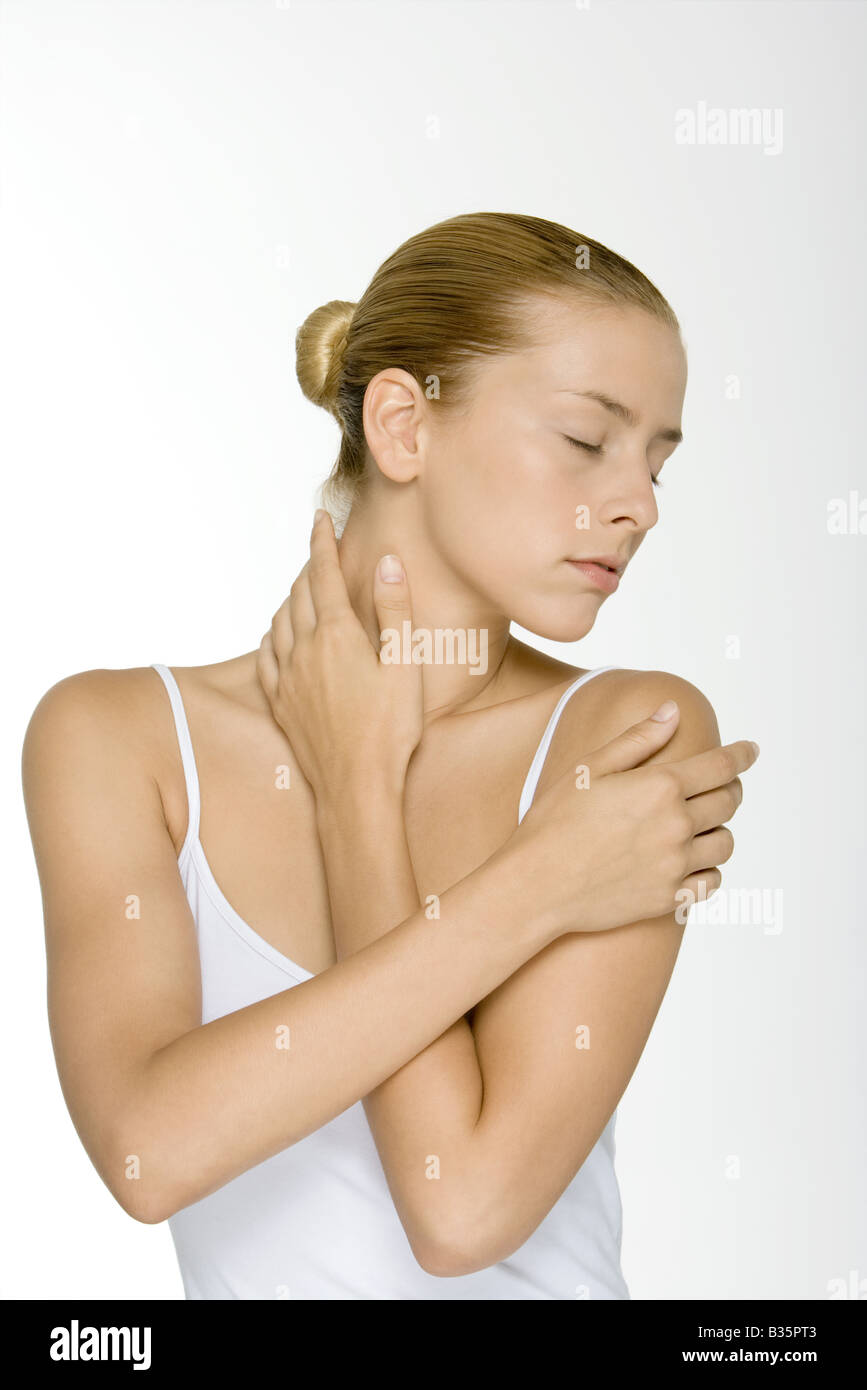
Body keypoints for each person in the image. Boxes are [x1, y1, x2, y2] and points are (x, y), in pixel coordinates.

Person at [21, 211, 758, 1300]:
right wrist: (547, 878)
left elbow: (460, 1208)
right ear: (405, 426)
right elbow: (147, 1155)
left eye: (658, 459)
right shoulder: (116, 739)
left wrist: (356, 791)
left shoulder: (626, 740)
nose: (638, 505)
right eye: (586, 439)